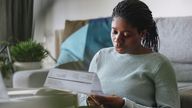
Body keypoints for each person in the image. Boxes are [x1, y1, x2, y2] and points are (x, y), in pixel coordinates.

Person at [86, 0, 180, 108]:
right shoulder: (100, 56)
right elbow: (84, 96)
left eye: (126, 35)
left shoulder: (160, 64)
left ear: (142, 34)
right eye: (114, 32)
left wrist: (124, 105)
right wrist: (90, 102)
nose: (117, 40)